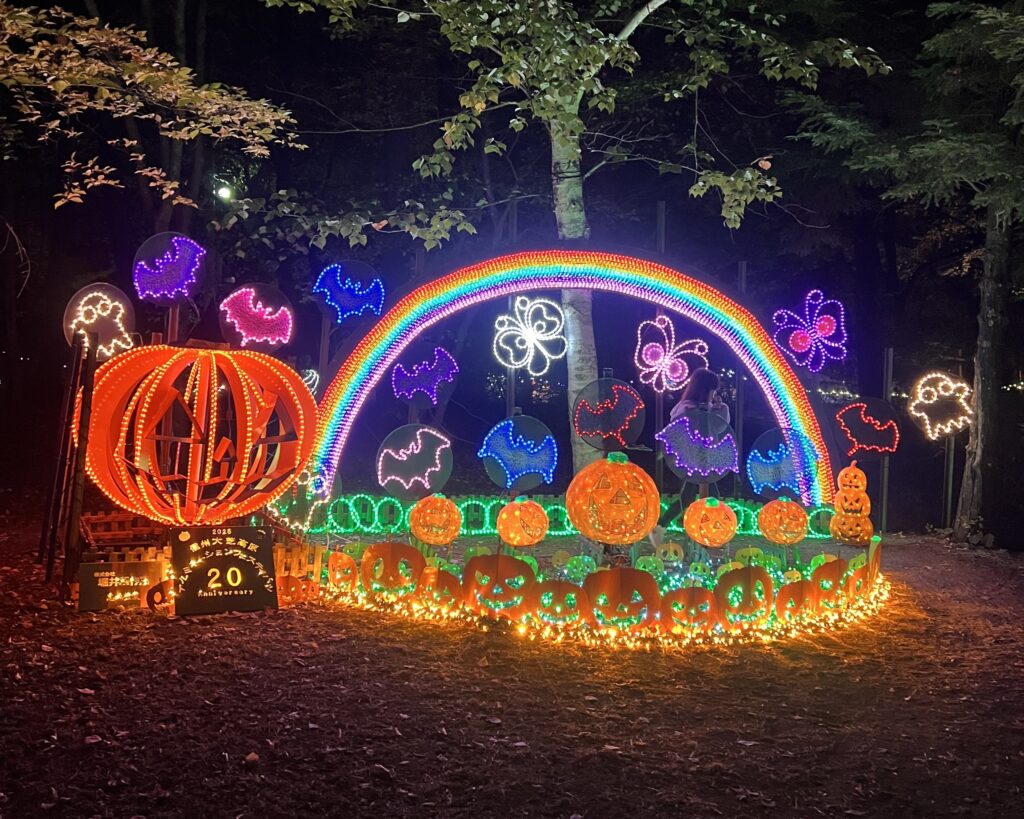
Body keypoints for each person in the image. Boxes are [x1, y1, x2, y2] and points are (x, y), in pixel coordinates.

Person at [649, 368, 730, 550]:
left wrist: (717, 408)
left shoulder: (711, 408)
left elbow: (720, 426)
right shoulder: (685, 408)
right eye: (712, 391)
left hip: (707, 457)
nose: (713, 395)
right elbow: (677, 429)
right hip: (692, 458)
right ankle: (702, 533)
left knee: (699, 495)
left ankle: (669, 527)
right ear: (704, 390)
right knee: (709, 496)